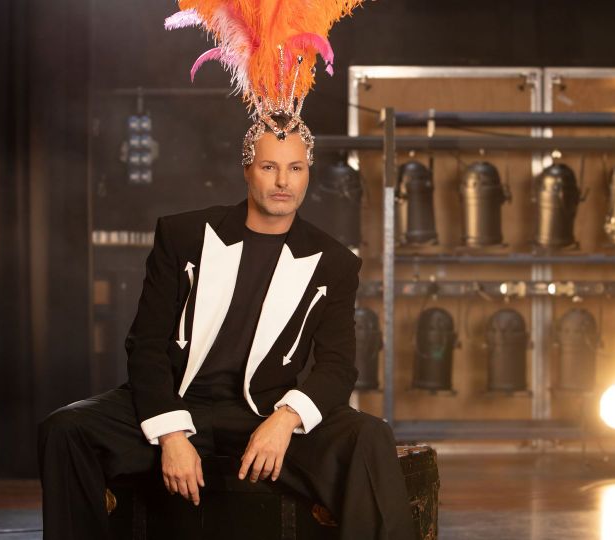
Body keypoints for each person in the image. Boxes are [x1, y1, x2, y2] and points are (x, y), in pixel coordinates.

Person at [38, 1, 414, 538]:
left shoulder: (333, 262)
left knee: (369, 437)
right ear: (247, 170)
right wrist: (171, 433)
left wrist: (285, 420)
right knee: (66, 429)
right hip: (181, 402)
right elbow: (146, 344)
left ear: (307, 174)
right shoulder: (184, 236)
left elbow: (337, 367)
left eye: (295, 168)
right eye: (269, 167)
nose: (282, 182)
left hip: (264, 413)